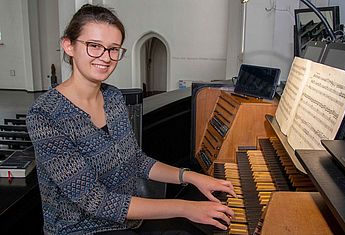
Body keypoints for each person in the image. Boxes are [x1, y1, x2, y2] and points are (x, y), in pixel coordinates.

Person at [26, 4, 235, 235]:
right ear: (69, 46)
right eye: (94, 46)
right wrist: (185, 208)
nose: (105, 57)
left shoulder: (113, 97)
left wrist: (191, 177)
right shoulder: (45, 115)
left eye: (113, 49)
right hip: (80, 230)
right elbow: (97, 201)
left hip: (127, 220)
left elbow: (134, 160)